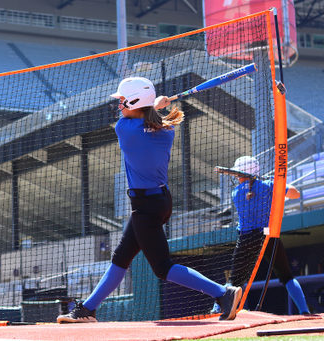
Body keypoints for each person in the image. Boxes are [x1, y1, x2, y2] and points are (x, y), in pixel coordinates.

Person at [57, 77, 242, 323]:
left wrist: (155, 105)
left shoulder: (124, 129)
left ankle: (222, 293)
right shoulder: (167, 129)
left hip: (146, 207)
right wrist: (155, 107)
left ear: (135, 102)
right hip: (160, 202)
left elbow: (136, 120)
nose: (120, 106)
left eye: (123, 101)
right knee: (120, 259)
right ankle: (88, 308)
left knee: (163, 267)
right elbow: (148, 119)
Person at [212, 156, 310, 315]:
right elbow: (295, 194)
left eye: (237, 174)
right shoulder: (268, 184)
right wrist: (276, 183)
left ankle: (216, 309)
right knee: (286, 276)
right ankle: (304, 310)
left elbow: (253, 191)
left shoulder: (236, 192)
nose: (236, 177)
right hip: (268, 237)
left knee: (234, 280)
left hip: (246, 239)